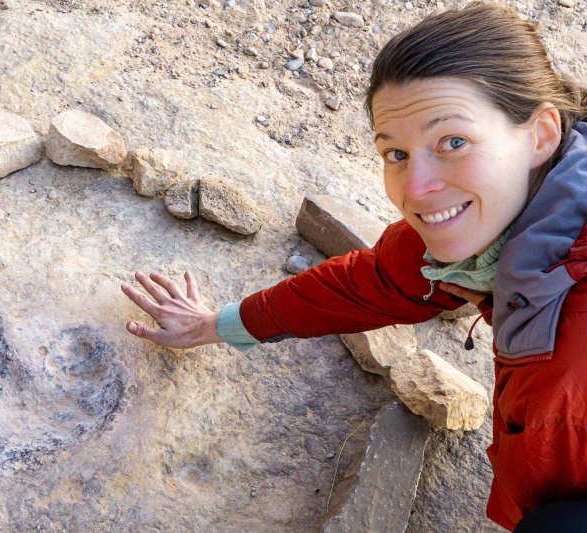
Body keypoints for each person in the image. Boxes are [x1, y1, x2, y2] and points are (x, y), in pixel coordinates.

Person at [120, 3, 587, 531]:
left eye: (453, 142)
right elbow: (368, 283)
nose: (415, 190)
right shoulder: (480, 238)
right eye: (396, 154)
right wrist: (216, 326)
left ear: (541, 134)